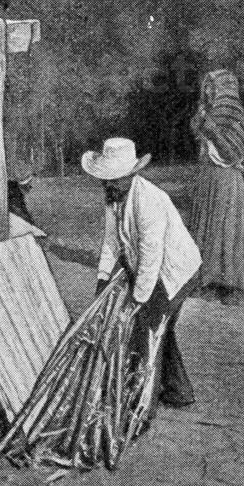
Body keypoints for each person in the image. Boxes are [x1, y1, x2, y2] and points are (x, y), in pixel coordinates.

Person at [83, 137, 202, 409]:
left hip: (175, 271)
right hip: (153, 268)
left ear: (131, 175)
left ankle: (141, 405)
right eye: (104, 178)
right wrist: (102, 282)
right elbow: (111, 243)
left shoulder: (149, 200)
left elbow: (151, 257)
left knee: (147, 328)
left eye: (113, 178)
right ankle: (179, 390)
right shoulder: (114, 198)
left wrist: (138, 300)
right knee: (162, 328)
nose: (107, 184)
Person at [189, 69, 244, 305]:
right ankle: (206, 281)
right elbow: (198, 137)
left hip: (227, 180)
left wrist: (213, 130)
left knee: (226, 230)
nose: (208, 91)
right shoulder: (206, 111)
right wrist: (200, 123)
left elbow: (234, 152)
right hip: (208, 177)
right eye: (206, 86)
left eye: (212, 86)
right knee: (206, 230)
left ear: (223, 89)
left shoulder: (233, 113)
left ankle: (230, 286)